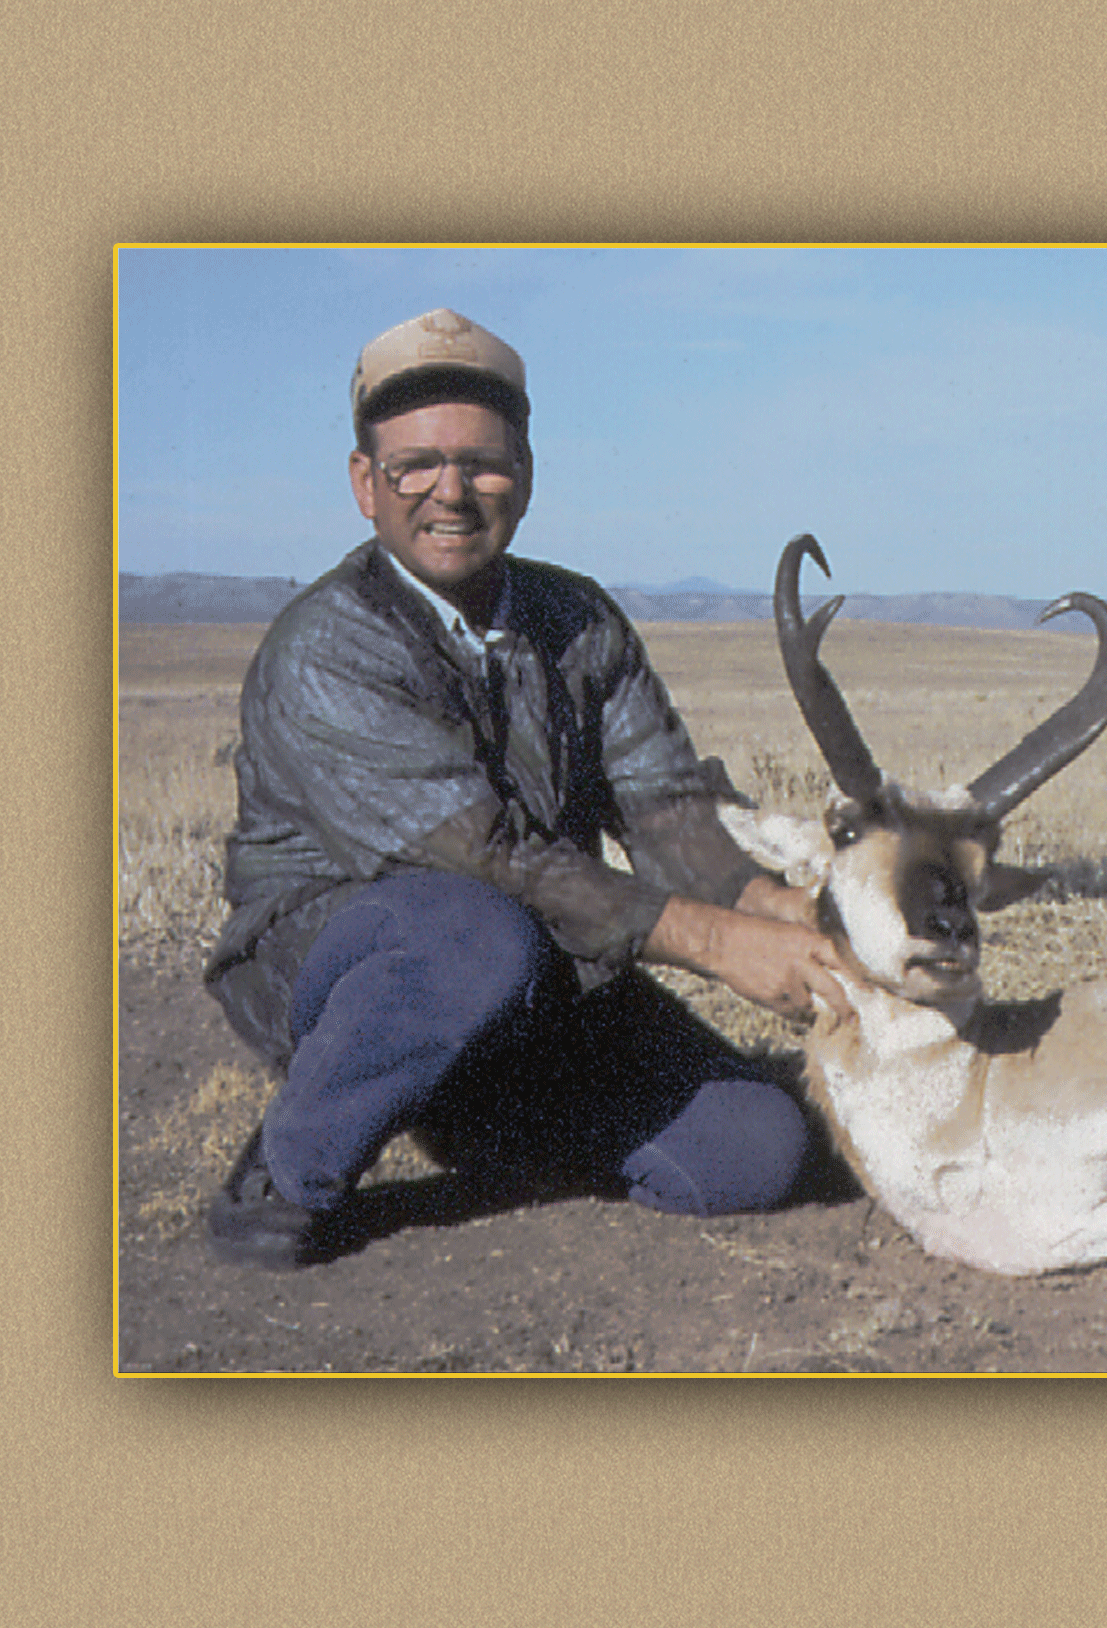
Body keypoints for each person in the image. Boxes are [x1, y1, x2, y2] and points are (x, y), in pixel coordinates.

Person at [201, 308, 850, 1270]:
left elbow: (665, 809)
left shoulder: (577, 618)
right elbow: (488, 860)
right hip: (361, 959)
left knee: (757, 1150)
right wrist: (722, 944)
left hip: (541, 956)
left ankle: (472, 1103)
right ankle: (286, 1175)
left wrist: (779, 908)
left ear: (528, 472)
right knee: (471, 935)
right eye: (414, 466)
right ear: (364, 484)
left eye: (482, 463)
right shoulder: (326, 647)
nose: (450, 492)